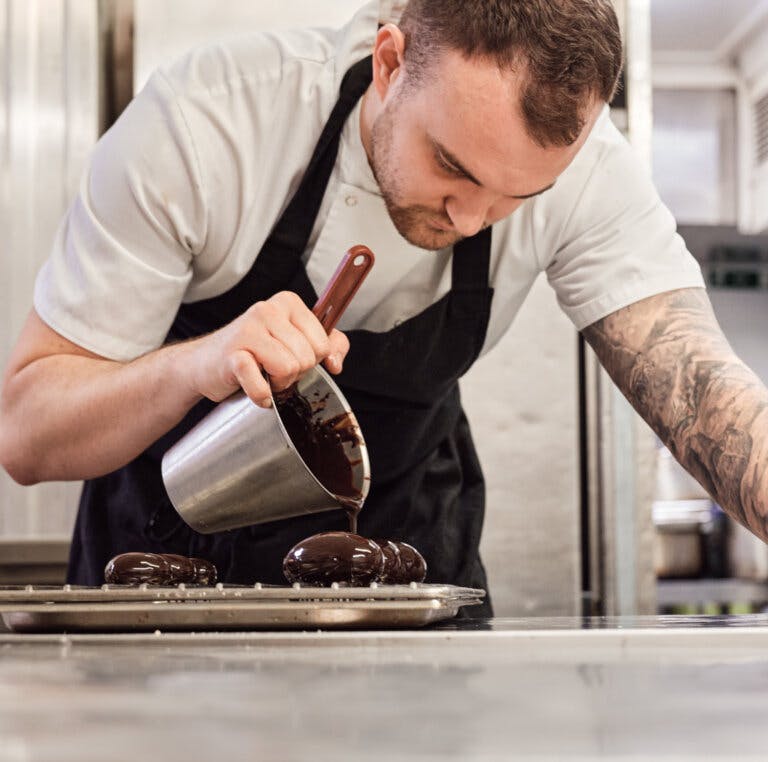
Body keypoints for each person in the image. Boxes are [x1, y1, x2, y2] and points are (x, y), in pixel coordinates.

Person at [0, 0, 764, 617]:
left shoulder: (592, 174)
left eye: (516, 198)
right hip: (168, 590)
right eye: (452, 167)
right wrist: (198, 364)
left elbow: (701, 392)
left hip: (405, 592)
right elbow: (27, 435)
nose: (471, 219)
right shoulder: (210, 125)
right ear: (390, 63)